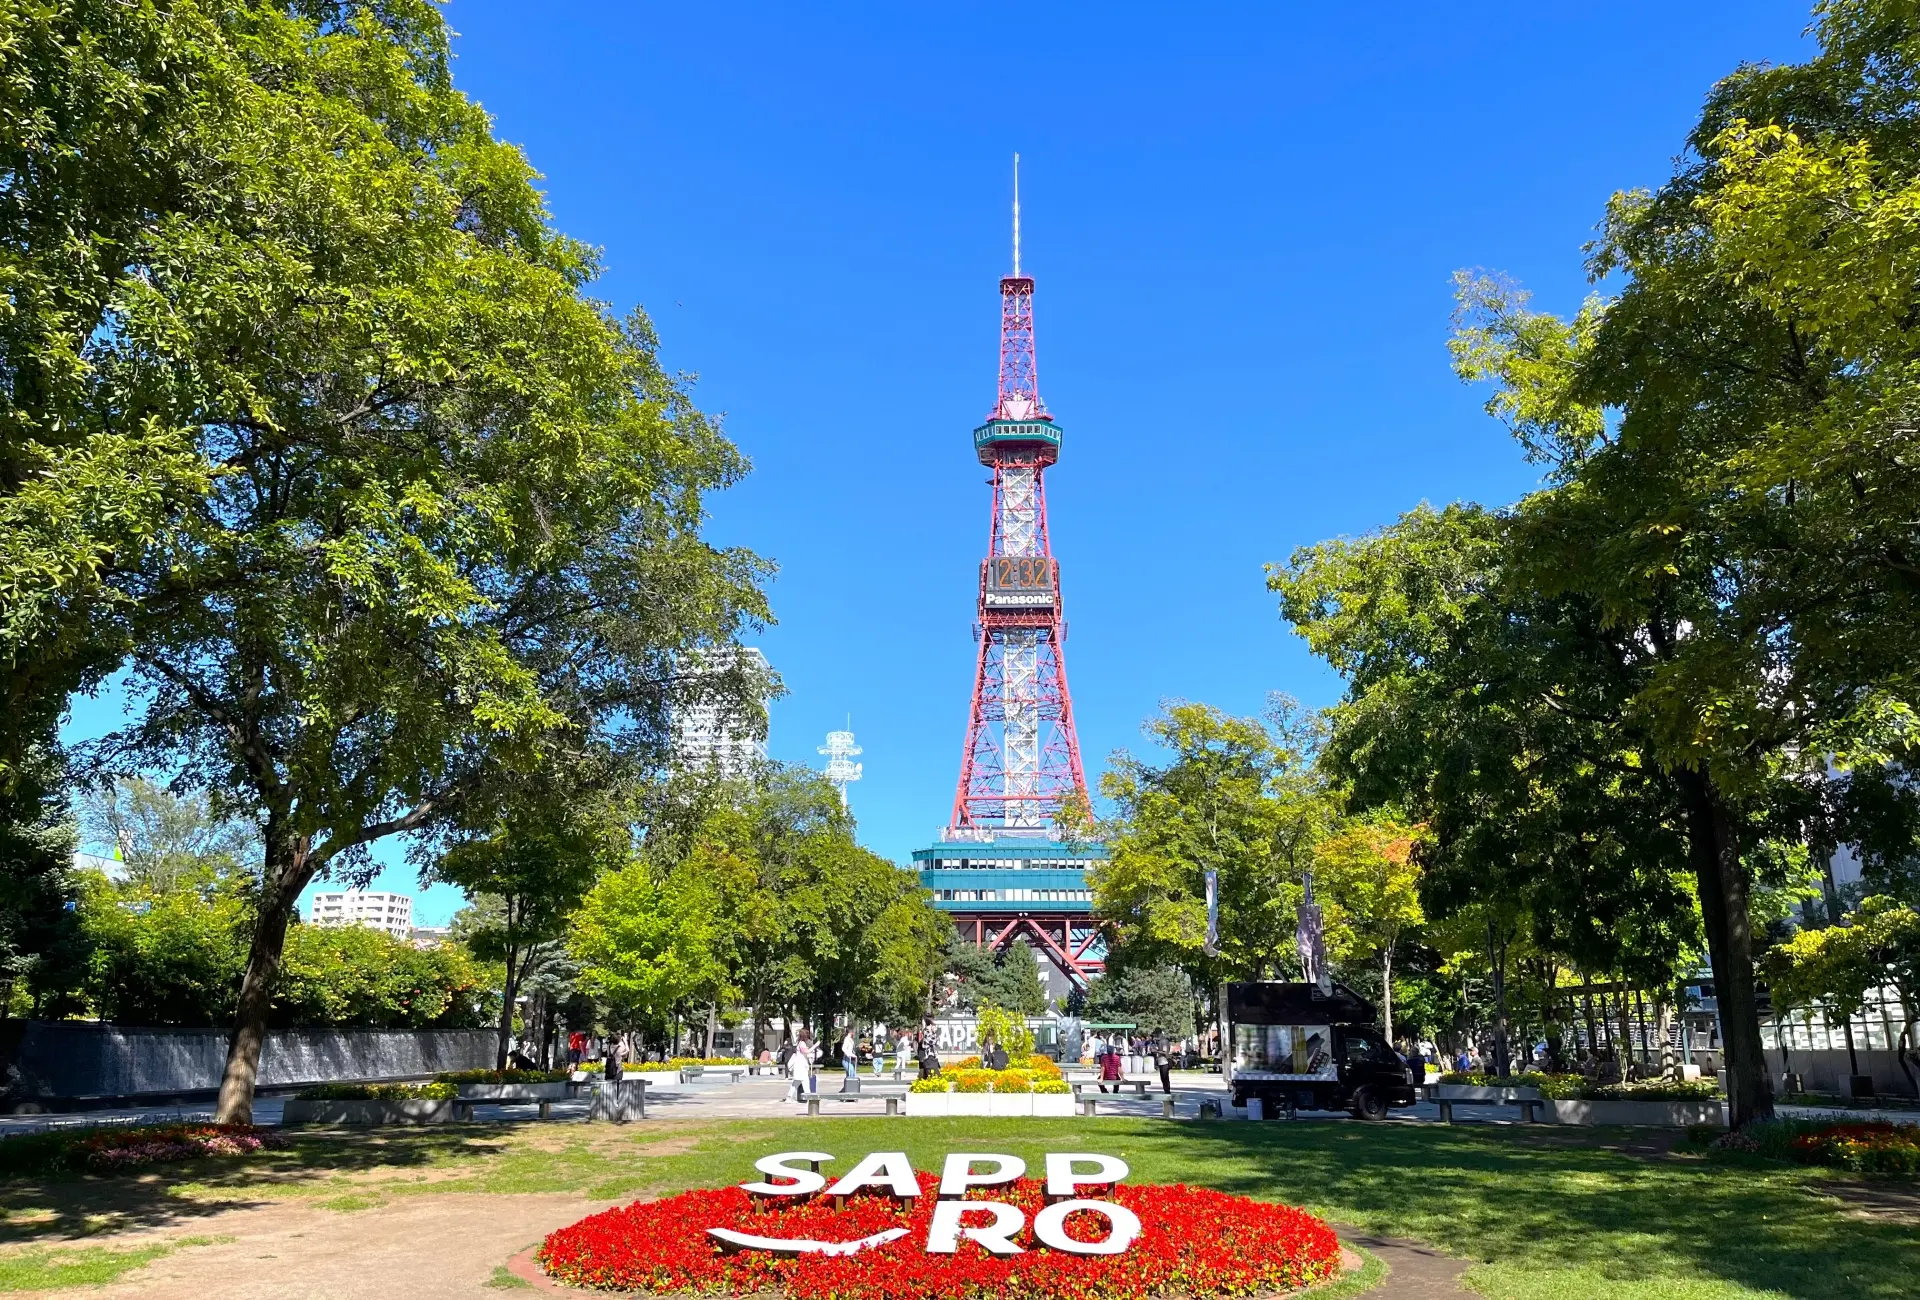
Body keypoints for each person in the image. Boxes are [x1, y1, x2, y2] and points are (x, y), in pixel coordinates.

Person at [791, 1030, 817, 1099]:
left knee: (796, 1083)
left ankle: (789, 1097)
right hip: (801, 1065)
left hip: (800, 1064)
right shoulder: (802, 1043)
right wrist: (815, 1046)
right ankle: (808, 1096)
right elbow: (806, 1051)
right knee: (805, 1081)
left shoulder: (800, 1043)